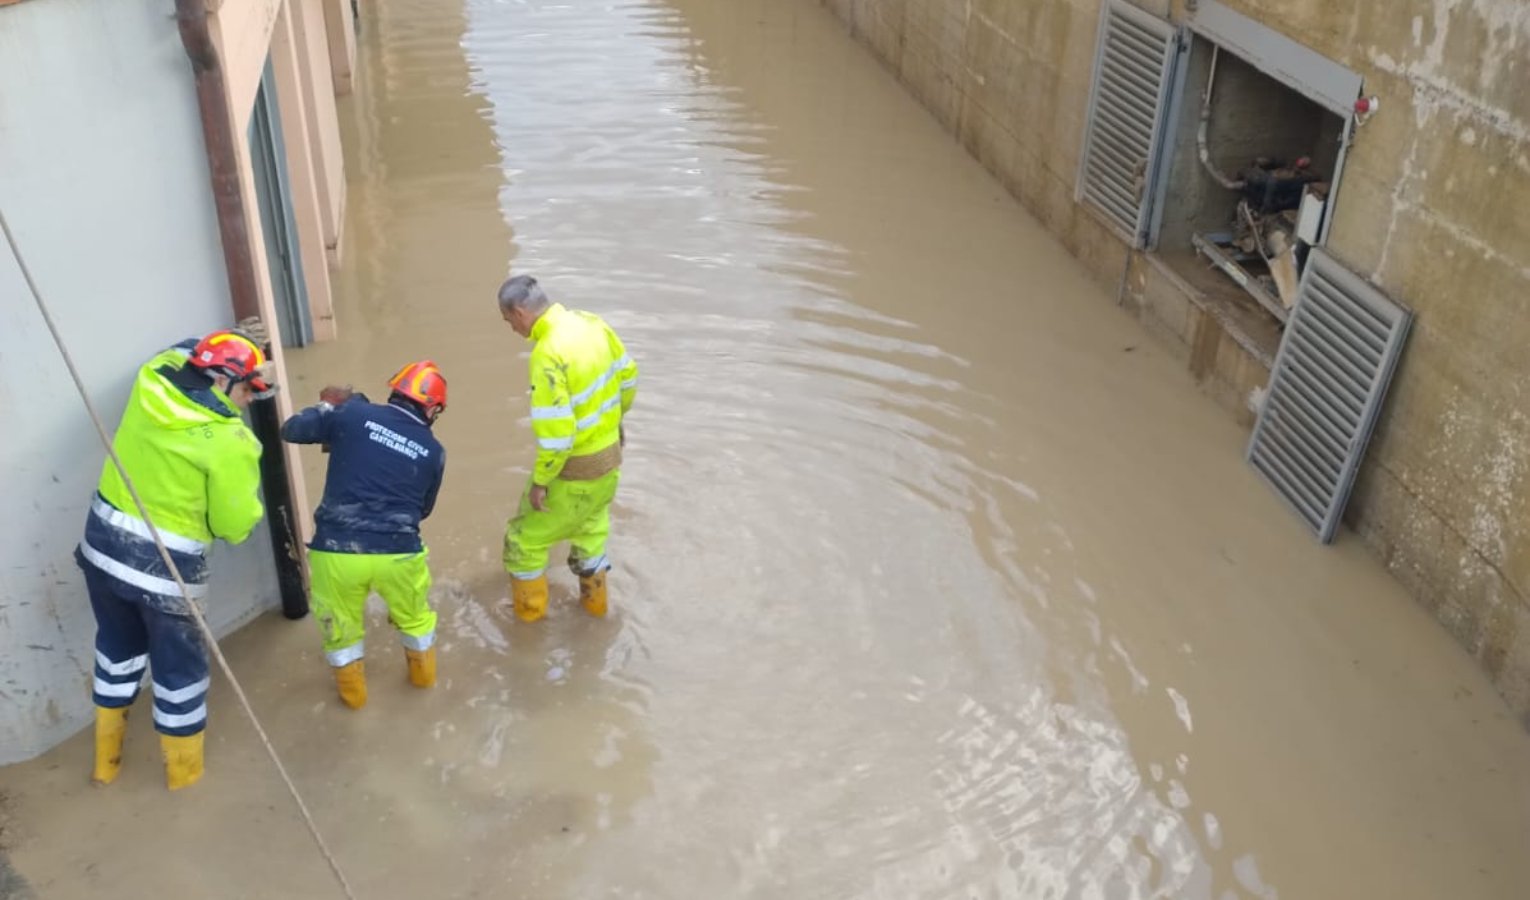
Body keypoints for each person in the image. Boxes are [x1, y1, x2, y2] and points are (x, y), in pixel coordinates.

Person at [81, 327, 273, 790]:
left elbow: (181, 350)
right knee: (179, 675)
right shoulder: (230, 442)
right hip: (166, 577)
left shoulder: (151, 378)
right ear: (224, 383)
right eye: (248, 389)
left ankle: (105, 765)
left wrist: (234, 341)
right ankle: (184, 778)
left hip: (102, 550)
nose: (250, 400)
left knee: (116, 652)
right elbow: (235, 526)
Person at [280, 362, 448, 709]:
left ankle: (354, 703)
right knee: (416, 621)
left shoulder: (351, 415)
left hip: (336, 550)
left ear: (394, 391)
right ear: (431, 408)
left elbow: (292, 430)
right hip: (399, 552)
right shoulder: (434, 451)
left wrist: (330, 408)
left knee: (341, 631)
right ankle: (423, 690)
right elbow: (423, 510)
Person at [498, 274, 637, 622]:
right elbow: (629, 377)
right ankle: (596, 615)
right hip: (609, 463)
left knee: (524, 543)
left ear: (519, 312)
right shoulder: (592, 324)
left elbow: (557, 434)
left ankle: (528, 634)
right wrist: (615, 422)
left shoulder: (547, 354)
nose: (511, 329)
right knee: (591, 534)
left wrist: (542, 482)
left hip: (573, 470)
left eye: (508, 321)